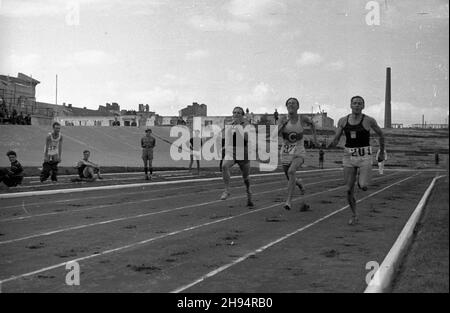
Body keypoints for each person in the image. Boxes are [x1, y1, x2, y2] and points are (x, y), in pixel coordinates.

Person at [328, 95, 385, 225]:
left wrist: (382, 151)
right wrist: (330, 144)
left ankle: (362, 182)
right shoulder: (343, 121)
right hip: (349, 156)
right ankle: (354, 215)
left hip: (364, 156)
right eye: (355, 103)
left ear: (363, 106)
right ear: (351, 105)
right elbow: (337, 138)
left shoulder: (369, 120)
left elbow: (381, 134)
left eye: (360, 103)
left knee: (363, 186)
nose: (357, 105)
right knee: (348, 189)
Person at [278, 97, 318, 211]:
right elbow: (275, 133)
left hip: (299, 151)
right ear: (286, 106)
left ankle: (288, 201)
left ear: (298, 106)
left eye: (294, 103)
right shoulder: (282, 119)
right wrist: (282, 125)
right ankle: (299, 183)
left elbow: (313, 125)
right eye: (289, 103)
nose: (291, 105)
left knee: (291, 171)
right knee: (289, 177)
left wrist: (314, 138)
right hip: (286, 151)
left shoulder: (302, 118)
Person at [220, 106, 254, 207]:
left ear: (242, 115)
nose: (236, 114)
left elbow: (247, 138)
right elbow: (226, 138)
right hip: (232, 151)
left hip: (244, 152)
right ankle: (226, 190)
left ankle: (248, 192)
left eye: (239, 113)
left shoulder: (247, 125)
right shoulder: (230, 125)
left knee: (246, 178)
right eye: (234, 112)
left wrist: (239, 127)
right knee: (224, 166)